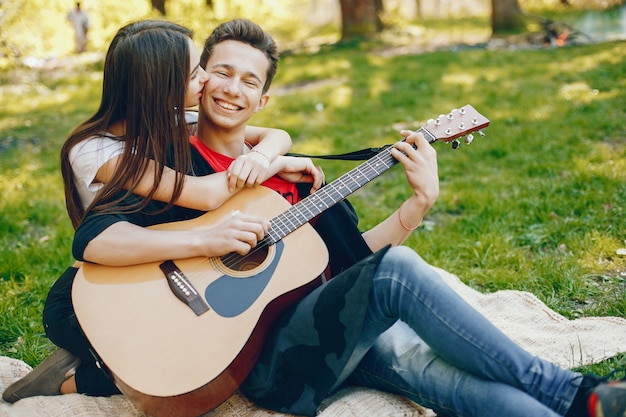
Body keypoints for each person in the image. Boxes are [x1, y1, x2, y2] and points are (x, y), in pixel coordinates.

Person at [7, 19, 626, 417]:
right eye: (214, 70)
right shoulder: (159, 155)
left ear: (264, 98)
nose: (225, 88)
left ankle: (584, 406)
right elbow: (95, 241)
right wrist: (214, 231)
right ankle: (577, 395)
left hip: (324, 319)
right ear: (183, 90)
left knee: (432, 371)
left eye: (248, 80)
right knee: (400, 284)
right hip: (259, 350)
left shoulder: (288, 173)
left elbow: (350, 259)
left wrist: (415, 208)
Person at [2, 19, 321, 403]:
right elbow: (205, 194)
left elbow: (274, 134)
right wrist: (267, 166)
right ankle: (81, 378)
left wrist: (271, 154)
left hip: (164, 274)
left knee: (215, 354)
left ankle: (101, 368)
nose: (206, 79)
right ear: (162, 86)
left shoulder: (170, 118)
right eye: (195, 72)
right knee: (177, 372)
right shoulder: (95, 151)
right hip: (104, 290)